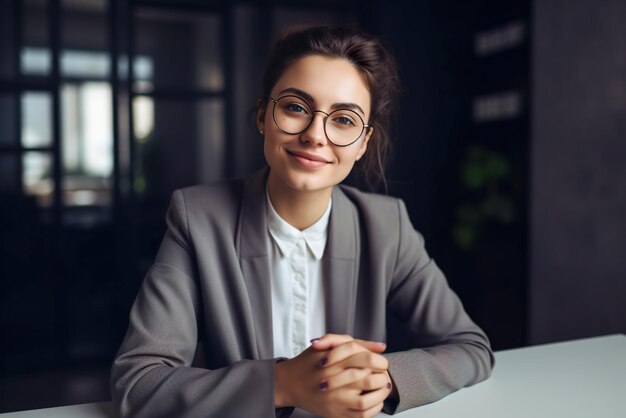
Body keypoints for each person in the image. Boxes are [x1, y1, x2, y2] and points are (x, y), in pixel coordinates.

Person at [110, 25, 494, 418]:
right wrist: (285, 384)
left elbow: (470, 347)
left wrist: (387, 377)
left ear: (363, 143)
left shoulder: (386, 225)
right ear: (263, 115)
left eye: (344, 120)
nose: (315, 134)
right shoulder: (198, 218)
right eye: (295, 107)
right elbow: (138, 383)